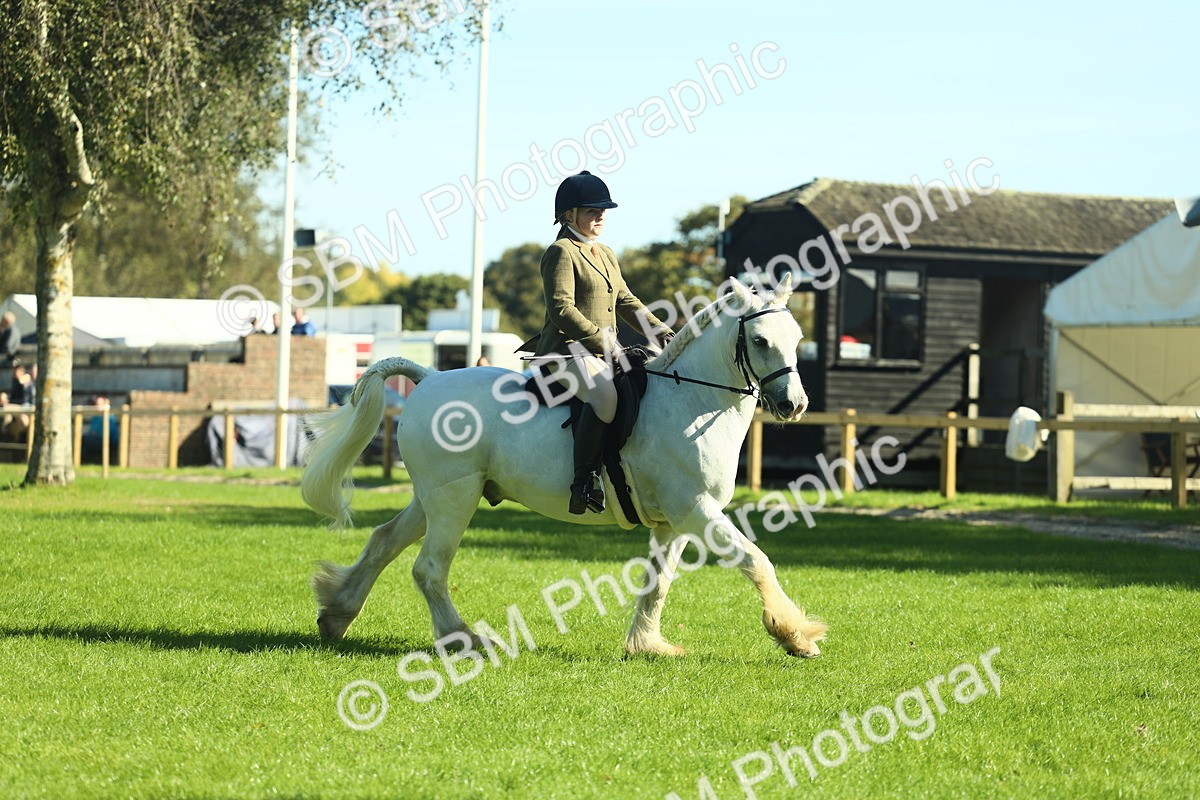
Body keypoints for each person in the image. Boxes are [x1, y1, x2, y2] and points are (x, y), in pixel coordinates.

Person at [523, 171, 674, 515]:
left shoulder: (605, 252)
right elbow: (562, 309)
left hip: (600, 353)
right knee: (605, 397)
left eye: (603, 210)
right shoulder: (561, 252)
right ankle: (582, 483)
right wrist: (603, 341)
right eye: (592, 210)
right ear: (569, 215)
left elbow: (626, 300)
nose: (601, 215)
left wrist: (661, 331)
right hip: (564, 351)